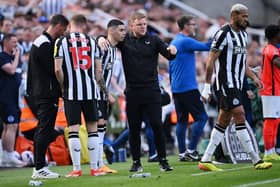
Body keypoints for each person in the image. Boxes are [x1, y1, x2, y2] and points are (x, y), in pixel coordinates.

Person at [99, 11, 177, 172]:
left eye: (145, 24)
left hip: (152, 90)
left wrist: (173, 51)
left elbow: (168, 54)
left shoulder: (154, 39)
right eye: (139, 24)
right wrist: (100, 38)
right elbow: (110, 37)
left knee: (156, 125)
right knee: (133, 128)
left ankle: (163, 160)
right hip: (133, 92)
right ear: (131, 26)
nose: (143, 27)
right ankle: (136, 162)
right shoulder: (124, 40)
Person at [198, 3, 272, 171]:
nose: (247, 19)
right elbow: (210, 60)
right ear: (235, 15)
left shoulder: (244, 36)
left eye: (247, 16)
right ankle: (256, 160)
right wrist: (207, 87)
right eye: (244, 16)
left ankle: (205, 159)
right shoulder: (223, 34)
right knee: (240, 114)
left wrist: (254, 76)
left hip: (237, 84)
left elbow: (241, 63)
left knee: (223, 121)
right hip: (225, 83)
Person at [54, 14, 105, 177]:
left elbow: (57, 69)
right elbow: (98, 71)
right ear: (84, 25)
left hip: (71, 92)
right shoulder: (93, 41)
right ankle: (94, 168)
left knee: (74, 129)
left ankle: (76, 169)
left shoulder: (61, 41)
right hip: (90, 92)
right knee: (93, 130)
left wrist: (63, 86)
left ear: (70, 24)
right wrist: (97, 87)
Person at [27, 14, 69, 178]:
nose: (63, 33)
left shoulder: (40, 41)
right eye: (63, 29)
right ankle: (39, 168)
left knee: (45, 129)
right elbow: (54, 70)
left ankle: (39, 166)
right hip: (46, 93)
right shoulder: (45, 44)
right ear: (58, 25)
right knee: (45, 129)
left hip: (41, 92)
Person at [169, 15, 211, 161]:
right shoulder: (185, 41)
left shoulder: (176, 41)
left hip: (177, 88)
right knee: (202, 117)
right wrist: (219, 37)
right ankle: (192, 150)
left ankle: (182, 153)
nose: (195, 27)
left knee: (182, 121)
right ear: (185, 26)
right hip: (188, 88)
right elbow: (208, 47)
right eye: (193, 24)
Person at [96, 19, 126, 174]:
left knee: (101, 128)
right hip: (95, 94)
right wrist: (107, 93)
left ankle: (100, 163)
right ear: (111, 30)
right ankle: (97, 164)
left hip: (103, 94)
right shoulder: (102, 46)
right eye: (121, 30)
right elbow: (97, 72)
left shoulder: (114, 50)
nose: (124, 33)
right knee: (96, 128)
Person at [0, 33, 25, 167]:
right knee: (11, 125)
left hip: (15, 97)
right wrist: (16, 56)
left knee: (8, 126)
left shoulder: (13, 57)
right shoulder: (2, 57)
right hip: (6, 97)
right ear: (6, 43)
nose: (16, 45)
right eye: (14, 42)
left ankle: (5, 156)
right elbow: (11, 70)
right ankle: (9, 155)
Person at [260, 25, 280, 161]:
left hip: (275, 90)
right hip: (270, 90)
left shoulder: (273, 48)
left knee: (276, 120)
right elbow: (278, 63)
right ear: (274, 35)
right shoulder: (270, 49)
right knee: (270, 120)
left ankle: (271, 150)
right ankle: (268, 152)